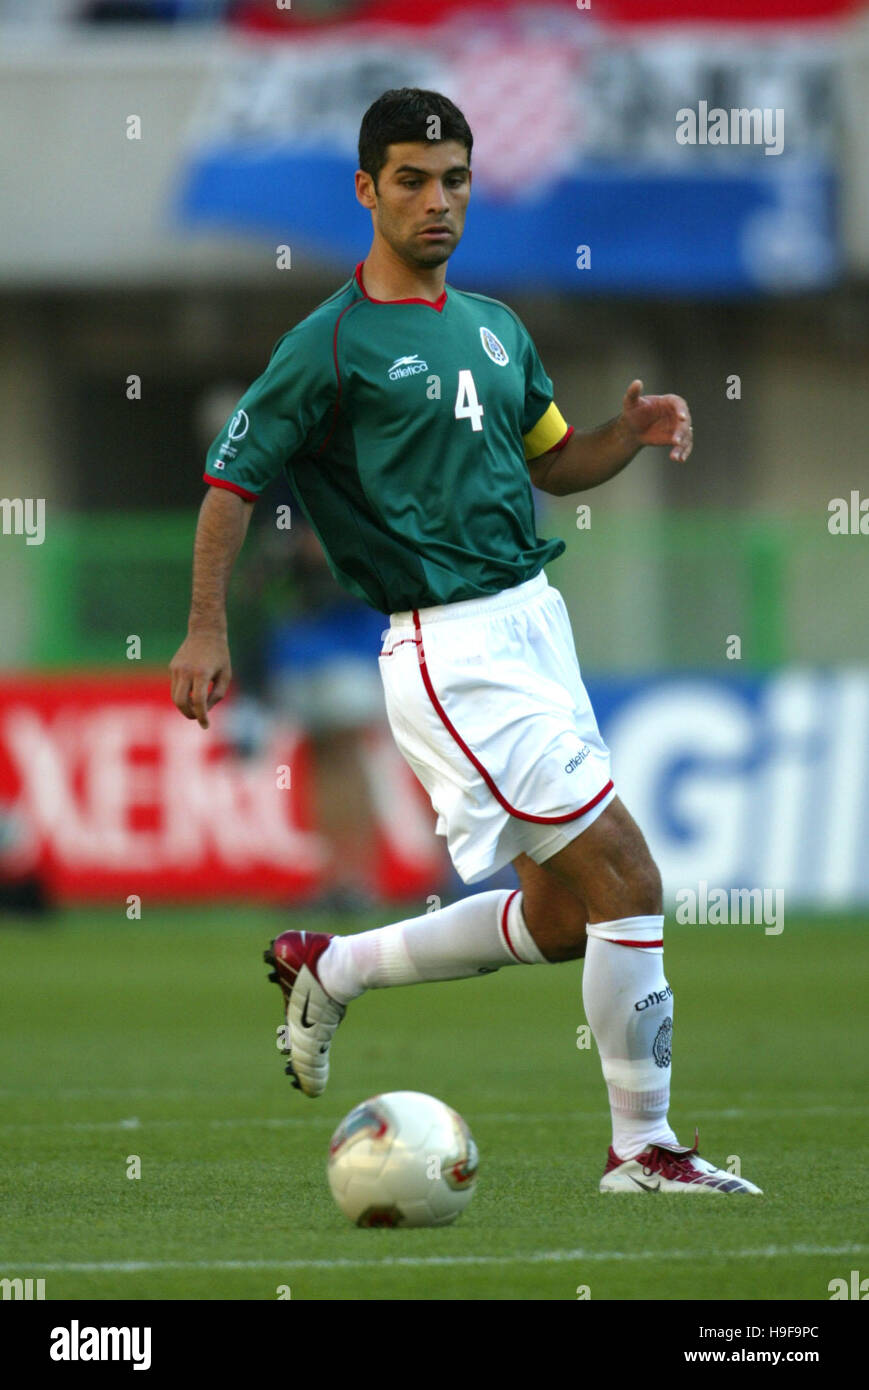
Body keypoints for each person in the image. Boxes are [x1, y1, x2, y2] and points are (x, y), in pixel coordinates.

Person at [170, 87, 760, 1195]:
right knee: (627, 878)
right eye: (410, 180)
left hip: (535, 626)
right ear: (366, 190)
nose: (436, 201)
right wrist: (205, 626)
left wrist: (621, 436)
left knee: (561, 915)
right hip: (450, 648)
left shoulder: (495, 327)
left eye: (452, 180)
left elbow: (549, 460)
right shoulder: (328, 344)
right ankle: (642, 1147)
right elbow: (229, 482)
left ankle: (330, 965)